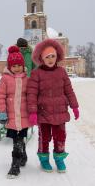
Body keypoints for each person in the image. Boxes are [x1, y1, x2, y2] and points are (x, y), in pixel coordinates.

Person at [27, 39, 79, 173]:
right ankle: (44, 160)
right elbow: (32, 94)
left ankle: (59, 158)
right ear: (41, 58)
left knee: (60, 136)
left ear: (57, 57)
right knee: (44, 138)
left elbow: (69, 90)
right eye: (47, 57)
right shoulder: (36, 73)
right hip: (43, 112)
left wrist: (74, 106)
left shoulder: (61, 72)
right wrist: (32, 112)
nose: (50, 59)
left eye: (53, 56)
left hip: (60, 112)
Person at [0, 46, 32, 178]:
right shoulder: (5, 79)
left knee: (19, 139)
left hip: (23, 117)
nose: (17, 68)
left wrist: (33, 111)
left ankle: (15, 166)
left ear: (23, 66)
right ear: (9, 67)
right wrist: (2, 112)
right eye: (14, 66)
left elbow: (31, 96)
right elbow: (1, 96)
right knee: (17, 140)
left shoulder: (26, 79)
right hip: (11, 117)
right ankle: (22, 155)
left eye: (19, 65)